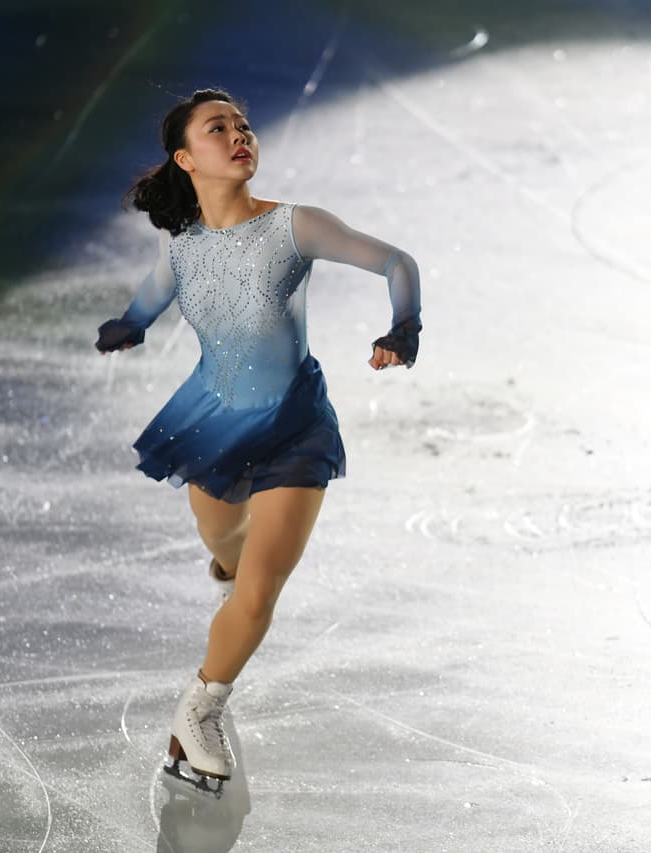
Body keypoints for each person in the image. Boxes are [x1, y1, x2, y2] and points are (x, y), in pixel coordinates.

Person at [95, 88, 422, 794]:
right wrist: (131, 323)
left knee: (258, 589)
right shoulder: (183, 246)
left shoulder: (294, 227)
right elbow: (156, 291)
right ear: (186, 158)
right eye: (220, 128)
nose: (240, 134)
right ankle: (229, 582)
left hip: (296, 425)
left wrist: (403, 327)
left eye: (244, 124)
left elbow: (397, 262)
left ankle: (201, 705)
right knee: (229, 556)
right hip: (212, 422)